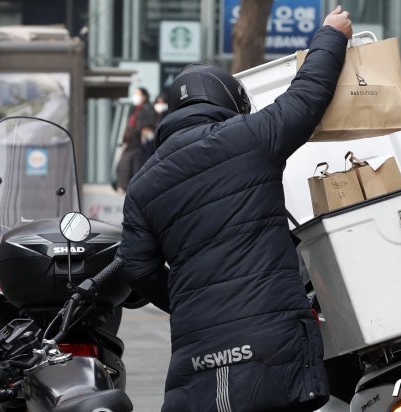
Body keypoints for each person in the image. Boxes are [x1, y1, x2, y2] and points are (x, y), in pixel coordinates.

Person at [116, 6, 352, 412]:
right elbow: (308, 95)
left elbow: (136, 267)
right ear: (229, 102)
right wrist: (331, 35)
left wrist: (186, 299)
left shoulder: (143, 184)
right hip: (272, 343)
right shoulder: (249, 137)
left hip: (199, 356)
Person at [116, 87, 158, 191]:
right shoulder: (136, 109)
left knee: (134, 171)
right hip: (131, 144)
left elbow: (148, 126)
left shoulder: (147, 108)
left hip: (138, 146)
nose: (135, 96)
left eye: (137, 94)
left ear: (144, 96)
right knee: (126, 168)